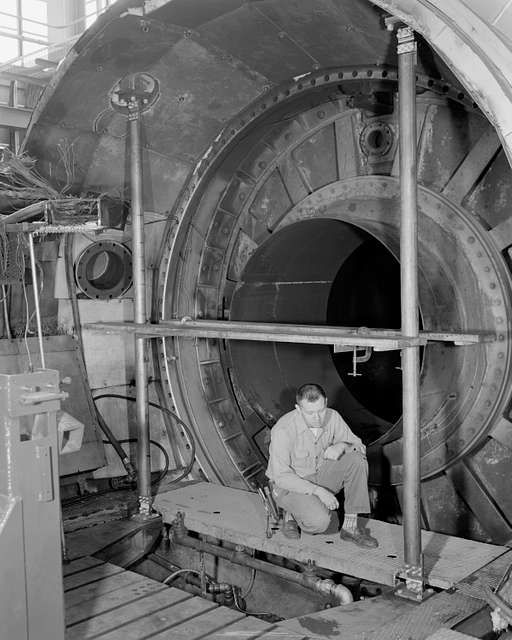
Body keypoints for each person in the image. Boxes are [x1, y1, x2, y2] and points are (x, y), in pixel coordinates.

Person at [266, 382, 378, 548]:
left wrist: (341, 446)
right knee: (320, 522)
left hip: (319, 475)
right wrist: (319, 492)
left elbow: (359, 447)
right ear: (298, 408)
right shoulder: (283, 429)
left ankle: (350, 528)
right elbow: (282, 477)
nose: (317, 418)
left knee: (356, 460)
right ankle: (290, 513)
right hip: (290, 486)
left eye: (321, 410)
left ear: (325, 402)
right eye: (310, 413)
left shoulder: (332, 416)